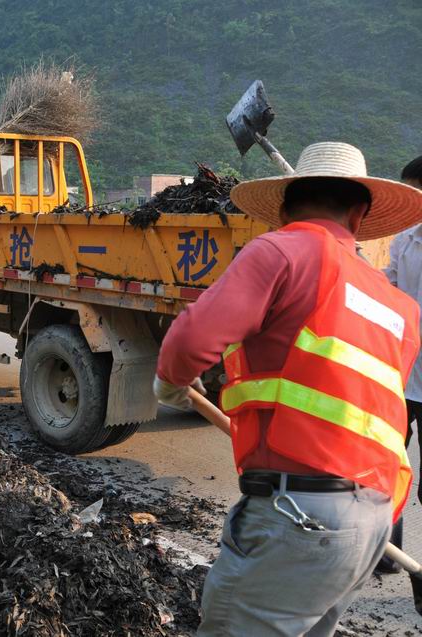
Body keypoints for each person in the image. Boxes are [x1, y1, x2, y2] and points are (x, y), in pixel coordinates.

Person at [154, 142, 422, 636]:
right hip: (372, 521)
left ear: (281, 209)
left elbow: (190, 340)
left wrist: (170, 382)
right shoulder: (398, 305)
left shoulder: (282, 250)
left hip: (297, 515)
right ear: (359, 216)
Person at [376, 155, 422, 572]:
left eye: (414, 192)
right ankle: (388, 555)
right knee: (386, 467)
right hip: (401, 377)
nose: (409, 200)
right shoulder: (406, 240)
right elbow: (388, 285)